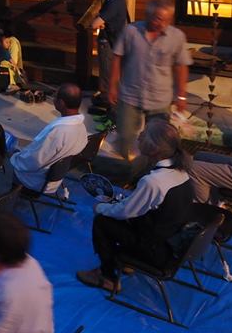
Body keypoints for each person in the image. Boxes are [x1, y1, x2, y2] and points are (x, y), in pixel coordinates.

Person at [76, 118, 194, 293]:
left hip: (156, 250)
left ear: (154, 149)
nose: (139, 137)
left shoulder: (153, 181)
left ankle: (108, 277)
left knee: (102, 221)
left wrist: (100, 208)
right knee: (117, 214)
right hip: (172, 240)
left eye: (144, 135)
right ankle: (126, 262)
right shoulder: (181, 170)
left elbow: (126, 212)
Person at [109, 0, 192, 159]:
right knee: (125, 135)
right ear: (148, 15)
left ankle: (148, 172)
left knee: (158, 142)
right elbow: (117, 57)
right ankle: (125, 167)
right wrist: (113, 86)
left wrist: (182, 95)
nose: (163, 23)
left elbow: (181, 66)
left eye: (168, 20)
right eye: (159, 19)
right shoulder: (130, 31)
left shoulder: (177, 37)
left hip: (160, 98)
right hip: (130, 94)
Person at [10, 83, 87, 194]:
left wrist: (14, 159)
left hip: (35, 180)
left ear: (61, 103)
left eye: (55, 97)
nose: (53, 100)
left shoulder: (60, 132)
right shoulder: (81, 128)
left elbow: (34, 161)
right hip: (52, 178)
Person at [90, 0, 130, 108]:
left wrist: (98, 21)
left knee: (107, 70)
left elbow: (95, 23)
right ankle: (106, 96)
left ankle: (108, 100)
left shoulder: (114, 2)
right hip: (113, 39)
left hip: (108, 41)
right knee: (108, 69)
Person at [0, 21, 26, 93]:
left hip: (9, 70)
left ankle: (4, 85)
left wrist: (0, 63)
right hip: (0, 66)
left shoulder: (13, 42)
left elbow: (13, 61)